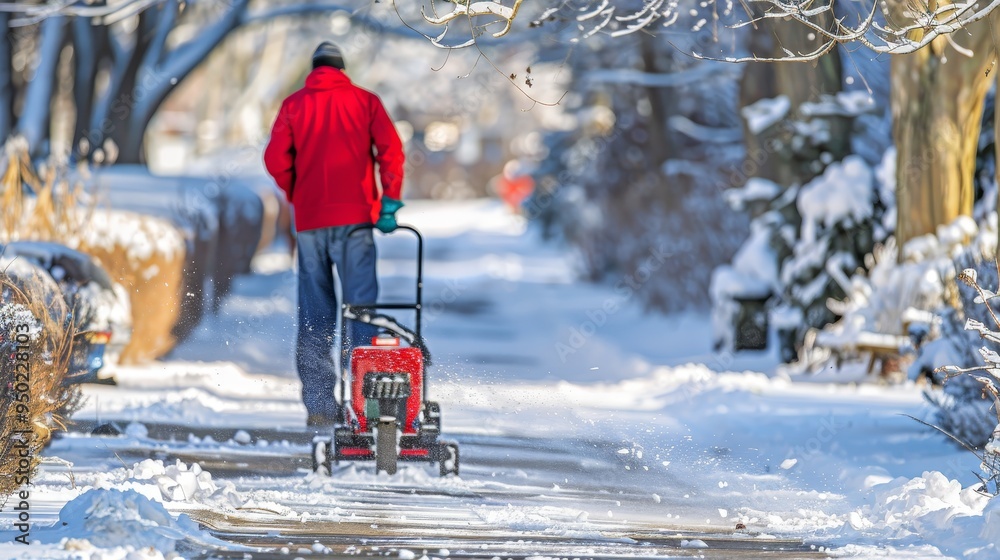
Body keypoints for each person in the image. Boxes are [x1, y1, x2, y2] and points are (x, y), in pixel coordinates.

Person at [263, 41, 405, 427]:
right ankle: (365, 404)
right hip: (356, 221)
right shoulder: (365, 102)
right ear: (342, 69)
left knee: (315, 313)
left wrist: (296, 191)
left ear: (314, 69)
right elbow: (391, 151)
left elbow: (275, 159)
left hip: (310, 224)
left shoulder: (294, 105)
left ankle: (321, 407)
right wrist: (389, 200)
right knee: (360, 310)